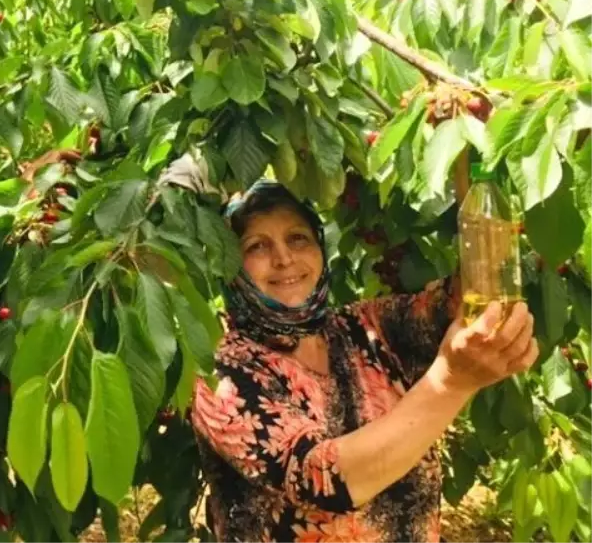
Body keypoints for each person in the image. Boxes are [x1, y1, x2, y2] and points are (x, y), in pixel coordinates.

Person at [191, 180, 538, 542]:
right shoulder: (222, 372)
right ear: (231, 266)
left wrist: (475, 172)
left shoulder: (363, 328)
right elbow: (326, 480)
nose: (284, 258)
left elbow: (465, 299)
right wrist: (452, 382)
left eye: (298, 238)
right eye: (257, 246)